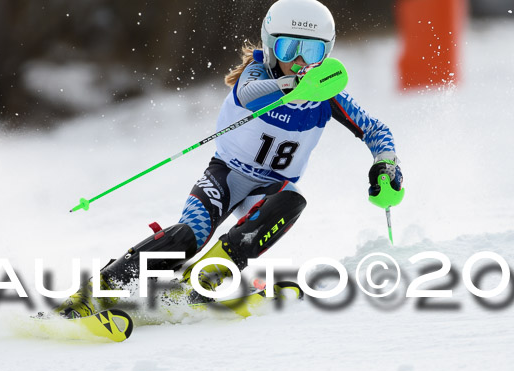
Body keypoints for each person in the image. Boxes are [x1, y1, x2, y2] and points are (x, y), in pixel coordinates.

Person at [55, 0, 403, 318]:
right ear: (269, 47)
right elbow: (249, 95)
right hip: (226, 176)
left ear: (326, 53)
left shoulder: (328, 96)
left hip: (270, 188)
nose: (299, 61)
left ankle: (203, 278)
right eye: (288, 48)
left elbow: (375, 129)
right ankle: (97, 291)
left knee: (293, 200)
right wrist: (291, 86)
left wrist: (385, 164)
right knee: (186, 236)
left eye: (311, 51)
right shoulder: (258, 74)